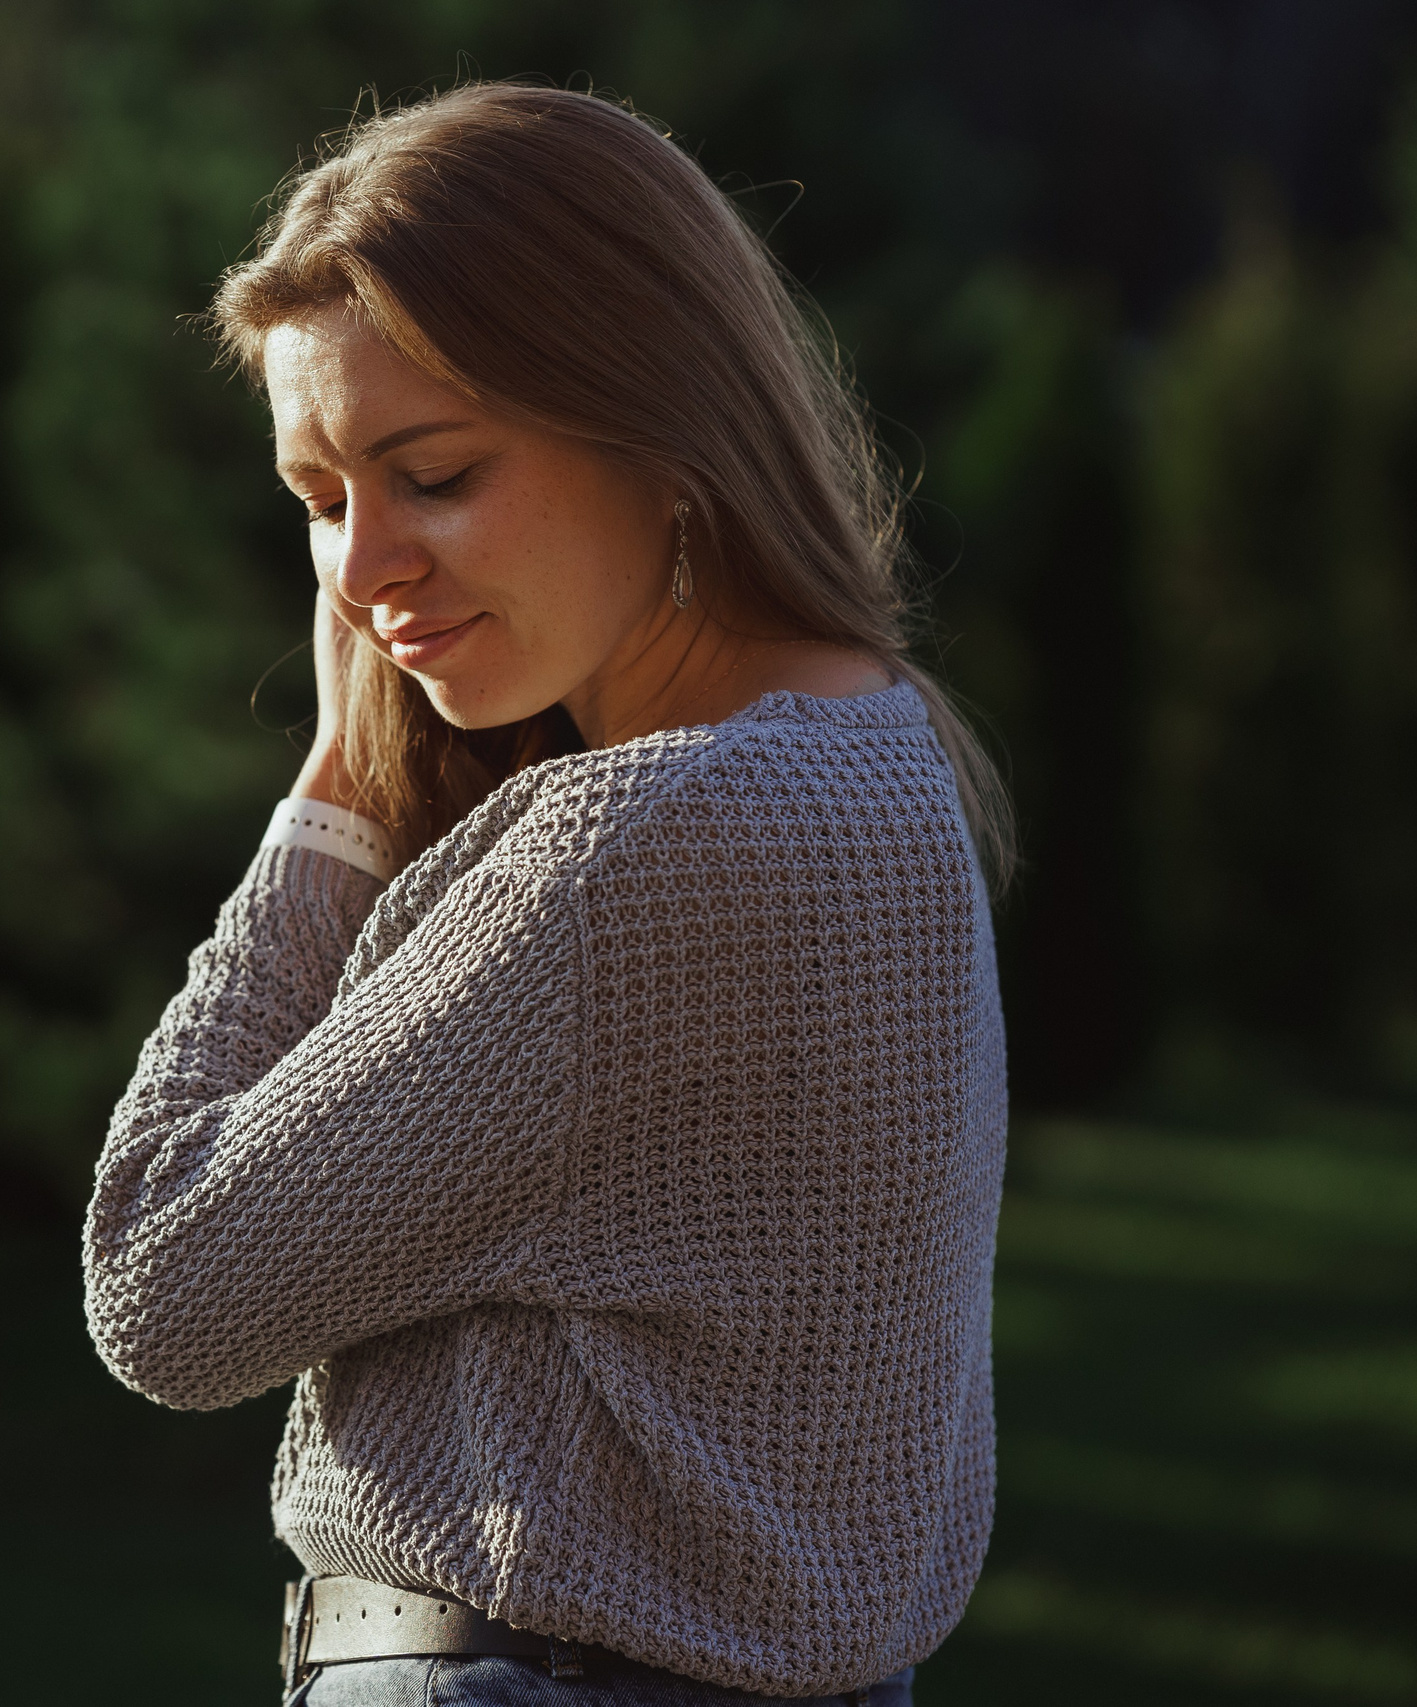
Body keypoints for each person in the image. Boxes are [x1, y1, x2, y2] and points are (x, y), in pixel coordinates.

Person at [83, 82, 1008, 1707]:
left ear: (659, 425)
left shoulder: (639, 848)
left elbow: (163, 1285)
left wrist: (336, 794)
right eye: (319, 501)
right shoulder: (879, 753)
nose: (362, 575)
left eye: (431, 472)